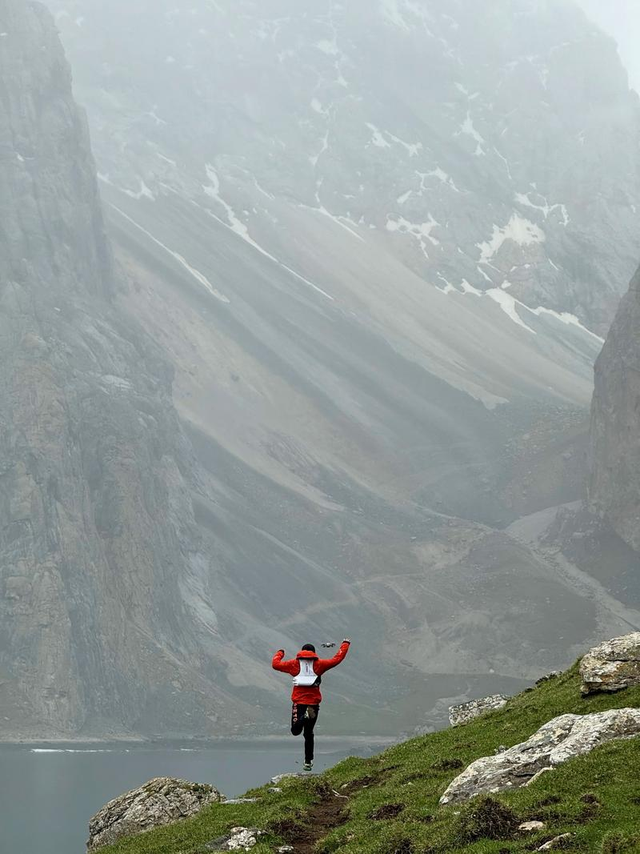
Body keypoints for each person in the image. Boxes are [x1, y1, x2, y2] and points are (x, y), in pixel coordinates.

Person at [272, 639, 351, 771]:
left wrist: (280, 652)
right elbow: (337, 659)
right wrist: (345, 644)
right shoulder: (319, 664)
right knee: (308, 733)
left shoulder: (293, 664)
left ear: (301, 652)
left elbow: (275, 664)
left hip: (298, 704)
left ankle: (304, 717)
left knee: (295, 731)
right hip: (313, 704)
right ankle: (308, 761)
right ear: (314, 653)